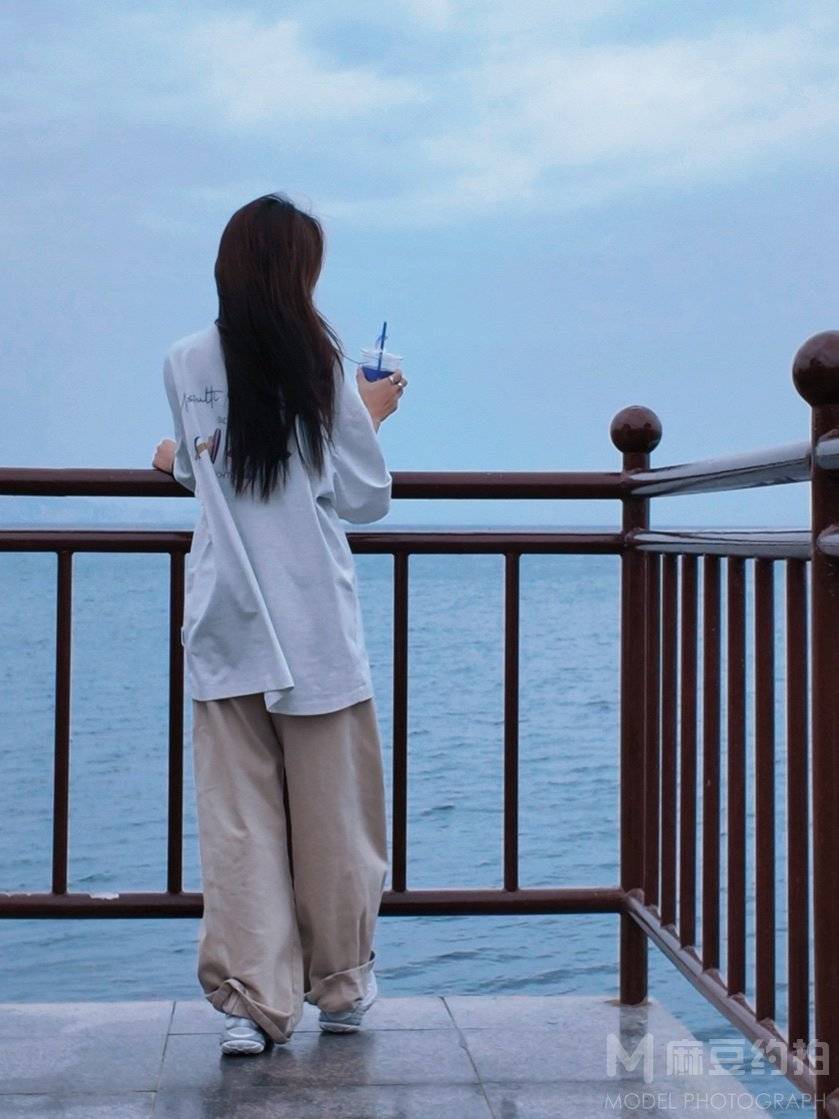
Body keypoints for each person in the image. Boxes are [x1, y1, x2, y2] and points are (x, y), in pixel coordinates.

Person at [151, 192, 408, 1055]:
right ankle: (340, 987)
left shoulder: (184, 360)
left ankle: (254, 1004)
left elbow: (209, 470)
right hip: (313, 619)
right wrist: (370, 417)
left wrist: (173, 460)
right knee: (335, 819)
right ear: (299, 273)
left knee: (239, 822)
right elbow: (364, 497)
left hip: (226, 617)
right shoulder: (321, 364)